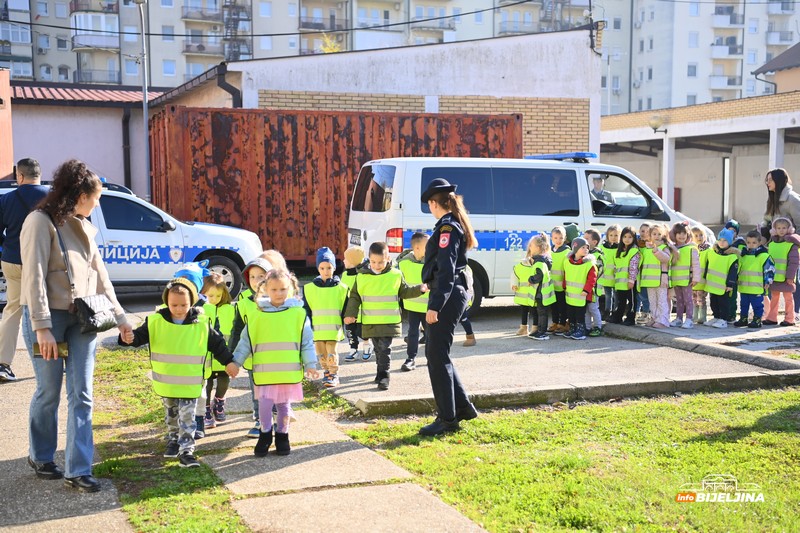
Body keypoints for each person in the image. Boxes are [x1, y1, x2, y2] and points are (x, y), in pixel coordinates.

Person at [20, 159, 133, 492]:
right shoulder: (39, 222)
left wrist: (123, 318)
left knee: (82, 394)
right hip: (49, 320)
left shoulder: (83, 225)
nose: (97, 204)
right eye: (95, 197)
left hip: (84, 320)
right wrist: (41, 327)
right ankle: (41, 455)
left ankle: (78, 469)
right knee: (49, 392)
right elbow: (34, 278)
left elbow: (101, 277)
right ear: (79, 193)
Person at [118, 279, 238, 467]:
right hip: (167, 381)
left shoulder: (201, 323)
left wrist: (229, 362)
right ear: (167, 302)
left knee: (188, 416)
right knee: (171, 414)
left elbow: (217, 345)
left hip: (190, 382)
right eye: (174, 305)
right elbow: (139, 337)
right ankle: (173, 440)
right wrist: (129, 338)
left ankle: (187, 450)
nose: (179, 309)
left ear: (192, 302)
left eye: (184, 304)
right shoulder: (155, 321)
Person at [232, 270, 319, 456]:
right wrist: (236, 362)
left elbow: (306, 342)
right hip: (265, 372)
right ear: (265, 289)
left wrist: (311, 364)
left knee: (284, 406)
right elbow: (245, 341)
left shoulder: (298, 314)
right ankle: (265, 434)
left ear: (290, 289)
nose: (279, 293)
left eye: (283, 289)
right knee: (264, 405)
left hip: (287, 371)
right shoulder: (257, 314)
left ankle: (282, 435)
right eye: (274, 289)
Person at [417, 178, 478, 436]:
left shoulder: (447, 229)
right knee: (438, 353)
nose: (429, 207)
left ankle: (447, 419)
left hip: (449, 293)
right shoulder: (449, 225)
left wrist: (435, 306)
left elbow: (447, 270)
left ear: (434, 203)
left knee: (436, 355)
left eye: (429, 204)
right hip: (451, 292)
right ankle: (462, 407)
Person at [343, 242, 426, 391]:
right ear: (369, 259)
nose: (377, 265)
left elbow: (405, 292)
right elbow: (355, 297)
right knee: (377, 348)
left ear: (388, 258)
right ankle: (379, 372)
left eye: (381, 262)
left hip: (389, 321)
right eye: (373, 262)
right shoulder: (362, 276)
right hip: (371, 321)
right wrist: (350, 314)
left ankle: (384, 375)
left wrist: (420, 289)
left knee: (384, 348)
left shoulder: (395, 275)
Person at [0, 158, 49, 382]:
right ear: (39, 174)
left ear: (19, 176)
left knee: (12, 311)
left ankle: (3, 364)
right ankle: (50, 362)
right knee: (47, 310)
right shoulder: (52, 197)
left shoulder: (6, 199)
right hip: (43, 262)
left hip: (12, 260)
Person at [229, 256, 274, 438]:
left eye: (262, 276)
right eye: (253, 277)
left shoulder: (278, 299)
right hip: (252, 356)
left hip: (275, 356)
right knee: (257, 390)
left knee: (274, 388)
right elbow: (237, 329)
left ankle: (279, 414)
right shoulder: (243, 302)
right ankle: (260, 420)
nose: (257, 281)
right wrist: (231, 357)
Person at [303, 246, 348, 386]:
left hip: (333, 328)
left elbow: (346, 307)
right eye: (322, 268)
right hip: (317, 330)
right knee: (321, 353)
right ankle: (326, 372)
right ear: (318, 268)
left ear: (334, 268)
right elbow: (306, 309)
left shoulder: (341, 288)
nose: (326, 271)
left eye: (329, 267)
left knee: (331, 352)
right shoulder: (309, 289)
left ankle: (334, 374)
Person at [201, 273, 235, 430]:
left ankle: (219, 401)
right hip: (206, 356)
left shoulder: (230, 309)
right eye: (210, 296)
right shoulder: (201, 310)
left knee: (224, 381)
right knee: (206, 385)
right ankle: (206, 408)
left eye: (218, 295)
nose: (214, 299)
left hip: (224, 355)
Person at [397, 233, 431, 371]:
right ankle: (411, 359)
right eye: (427, 245)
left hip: (429, 307)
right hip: (412, 306)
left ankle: (431, 358)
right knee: (412, 333)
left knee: (430, 334)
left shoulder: (432, 262)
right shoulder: (403, 263)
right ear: (417, 248)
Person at [734, 230, 774, 329]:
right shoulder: (743, 255)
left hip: (757, 286)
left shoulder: (764, 256)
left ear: (759, 243)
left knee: (757, 305)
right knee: (743, 304)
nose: (751, 245)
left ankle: (757, 320)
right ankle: (743, 319)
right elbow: (739, 268)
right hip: (744, 286)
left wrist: (768, 281)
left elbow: (770, 269)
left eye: (754, 242)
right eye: (748, 242)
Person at [764, 217, 800, 326]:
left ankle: (790, 319)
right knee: (774, 298)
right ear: (774, 229)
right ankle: (772, 318)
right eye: (778, 228)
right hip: (774, 278)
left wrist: (790, 277)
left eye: (784, 228)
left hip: (786, 278)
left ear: (789, 228)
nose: (781, 230)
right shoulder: (771, 244)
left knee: (788, 299)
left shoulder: (791, 245)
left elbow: (794, 262)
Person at [341, 246, 373, 362]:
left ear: (352, 262)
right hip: (348, 311)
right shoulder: (344, 275)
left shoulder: (362, 275)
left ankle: (367, 345)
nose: (343, 261)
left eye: (346, 259)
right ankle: (353, 349)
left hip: (360, 311)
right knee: (350, 331)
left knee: (362, 331)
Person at [562, 237, 597, 340]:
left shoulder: (589, 264)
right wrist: (564, 286)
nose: (586, 249)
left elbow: (592, 279)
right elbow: (566, 274)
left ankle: (581, 330)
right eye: (583, 247)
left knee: (580, 314)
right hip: (570, 294)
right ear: (575, 248)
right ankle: (572, 328)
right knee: (571, 313)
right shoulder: (567, 262)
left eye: (587, 247)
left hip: (582, 295)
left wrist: (586, 290)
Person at [666, 222, 700, 329]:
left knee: (688, 300)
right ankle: (679, 318)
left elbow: (696, 265)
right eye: (679, 233)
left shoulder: (691, 248)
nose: (682, 236)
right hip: (676, 279)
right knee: (679, 300)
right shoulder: (672, 249)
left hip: (687, 280)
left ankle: (689, 319)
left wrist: (695, 278)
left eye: (684, 233)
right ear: (674, 235)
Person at [705, 228, 740, 328]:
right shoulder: (713, 252)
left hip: (724, 285)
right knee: (713, 302)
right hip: (712, 283)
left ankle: (723, 319)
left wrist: (730, 284)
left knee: (724, 303)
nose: (722, 242)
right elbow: (708, 266)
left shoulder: (732, 256)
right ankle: (716, 316)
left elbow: (733, 272)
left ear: (729, 242)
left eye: (725, 240)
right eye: (720, 240)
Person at [640, 223, 672, 328]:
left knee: (662, 301)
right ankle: (654, 318)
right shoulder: (646, 249)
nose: (657, 236)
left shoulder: (664, 247)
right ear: (650, 235)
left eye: (659, 234)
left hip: (661, 279)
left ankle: (663, 321)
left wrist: (656, 250)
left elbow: (666, 259)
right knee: (652, 301)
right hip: (649, 280)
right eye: (654, 234)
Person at [526, 234, 556, 340]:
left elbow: (539, 275)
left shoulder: (540, 261)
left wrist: (531, 279)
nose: (529, 247)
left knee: (542, 313)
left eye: (531, 245)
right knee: (540, 313)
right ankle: (539, 330)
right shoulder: (542, 259)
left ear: (538, 248)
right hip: (541, 293)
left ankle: (542, 332)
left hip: (541, 293)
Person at [609, 226, 640, 325]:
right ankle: (618, 317)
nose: (627, 239)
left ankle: (630, 318)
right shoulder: (619, 252)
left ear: (634, 238)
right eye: (625, 236)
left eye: (630, 237)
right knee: (621, 301)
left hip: (630, 282)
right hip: (620, 282)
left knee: (631, 301)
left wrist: (631, 280)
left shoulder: (634, 251)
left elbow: (633, 267)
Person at [511, 238, 537, 335]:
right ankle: (523, 327)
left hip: (533, 294)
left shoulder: (539, 264)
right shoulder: (522, 264)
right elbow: (515, 273)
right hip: (523, 294)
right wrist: (514, 284)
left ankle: (535, 327)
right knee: (524, 311)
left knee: (534, 311)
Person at [548, 226, 570, 335]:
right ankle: (555, 322)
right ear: (551, 238)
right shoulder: (549, 250)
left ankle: (562, 323)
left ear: (565, 238)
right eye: (556, 238)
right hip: (552, 285)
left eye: (561, 238)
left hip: (561, 285)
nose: (558, 240)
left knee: (562, 306)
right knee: (554, 305)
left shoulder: (567, 251)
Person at [583, 229, 604, 336]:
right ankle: (586, 327)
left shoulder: (598, 255)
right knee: (586, 309)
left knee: (593, 308)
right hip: (585, 287)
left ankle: (597, 326)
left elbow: (599, 271)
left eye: (587, 238)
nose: (584, 240)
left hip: (594, 288)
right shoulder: (584, 253)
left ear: (594, 242)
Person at [597, 224, 620, 321]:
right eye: (611, 235)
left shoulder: (620, 247)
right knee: (607, 295)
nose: (613, 238)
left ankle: (616, 312)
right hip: (606, 277)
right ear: (607, 236)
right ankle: (607, 311)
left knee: (616, 295)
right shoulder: (603, 247)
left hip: (616, 276)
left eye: (616, 235)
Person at [690, 227, 711, 324]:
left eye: (701, 235)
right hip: (693, 279)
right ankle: (694, 316)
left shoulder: (708, 250)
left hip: (703, 279)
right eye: (696, 236)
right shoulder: (692, 249)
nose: (699, 237)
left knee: (701, 298)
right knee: (693, 299)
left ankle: (702, 317)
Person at [635, 223, 652, 324]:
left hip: (646, 274)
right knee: (637, 295)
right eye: (642, 231)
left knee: (644, 295)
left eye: (647, 231)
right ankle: (636, 313)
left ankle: (646, 313)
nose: (644, 233)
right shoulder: (636, 245)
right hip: (636, 274)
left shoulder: (651, 246)